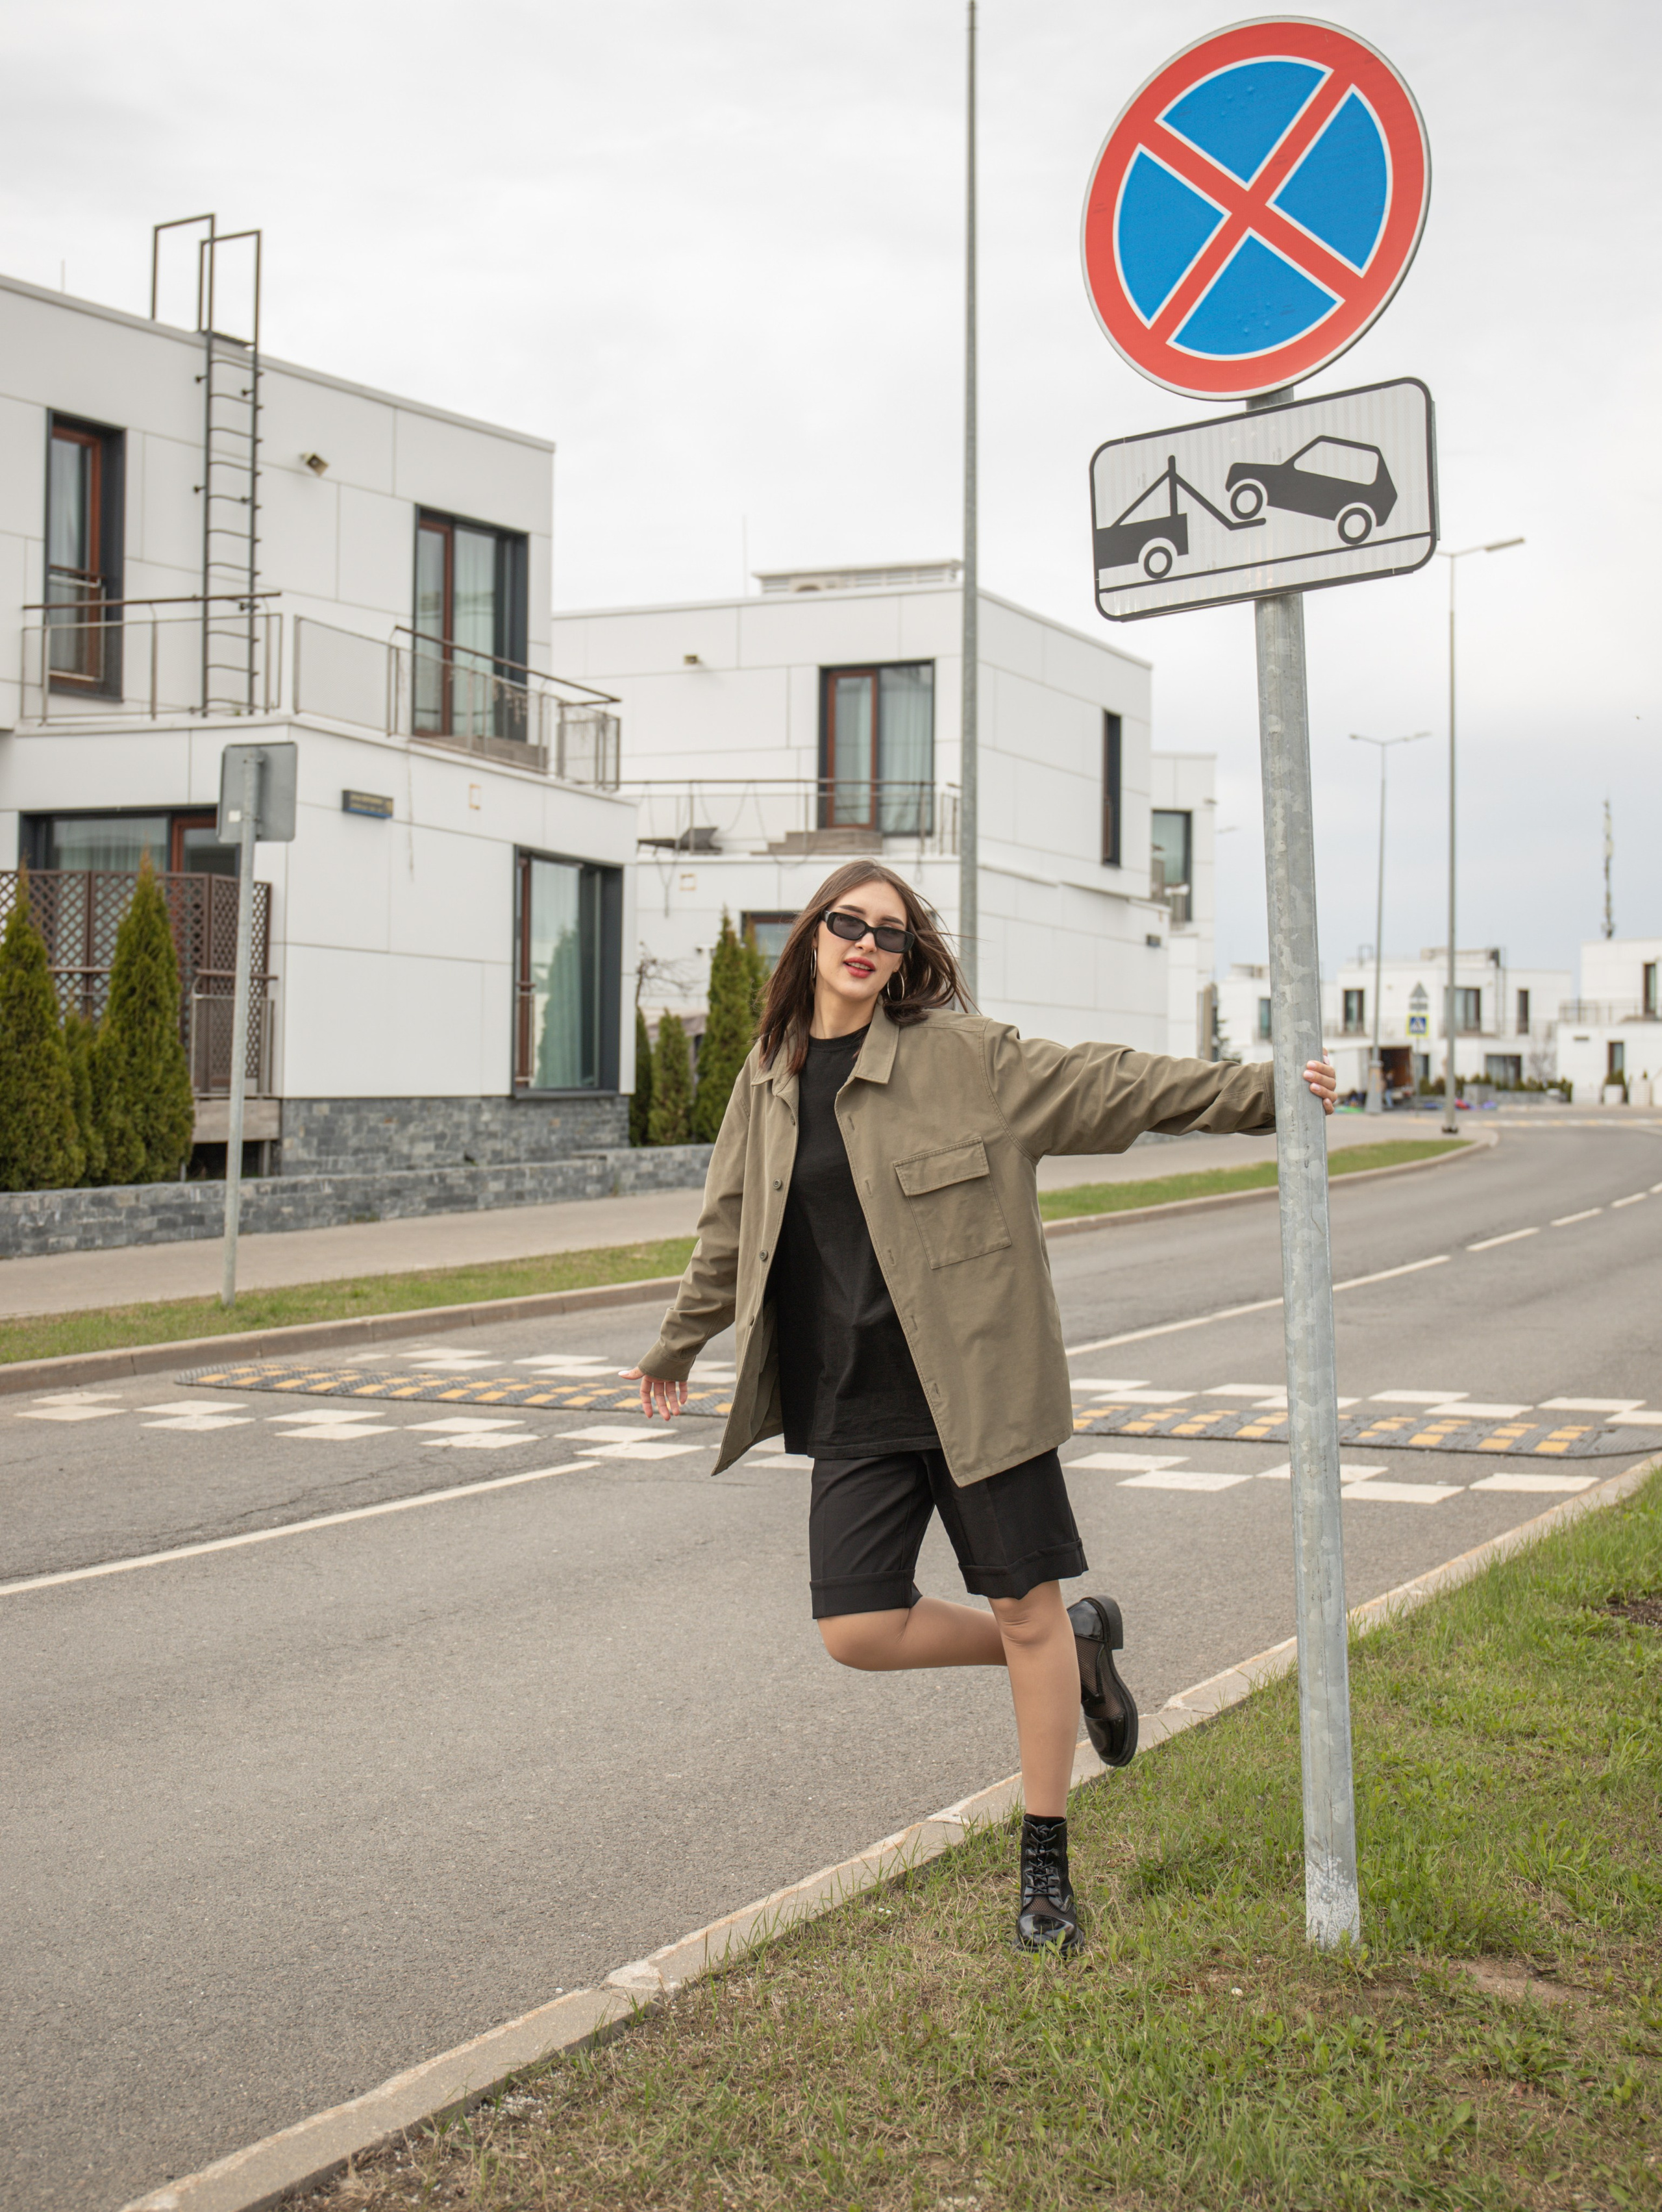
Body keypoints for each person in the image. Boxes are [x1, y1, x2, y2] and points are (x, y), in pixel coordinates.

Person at [626, 862, 1335, 1955]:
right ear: (813, 937)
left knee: (1021, 1607)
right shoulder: (767, 1077)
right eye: (848, 925)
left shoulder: (967, 1059)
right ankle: (1071, 1649)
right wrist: (679, 1340)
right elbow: (729, 1227)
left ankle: (1045, 1866)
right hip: (853, 1398)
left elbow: (1119, 1087)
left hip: (980, 1391)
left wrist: (1267, 1088)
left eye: (891, 936)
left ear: (910, 959)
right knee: (858, 1630)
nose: (867, 946)